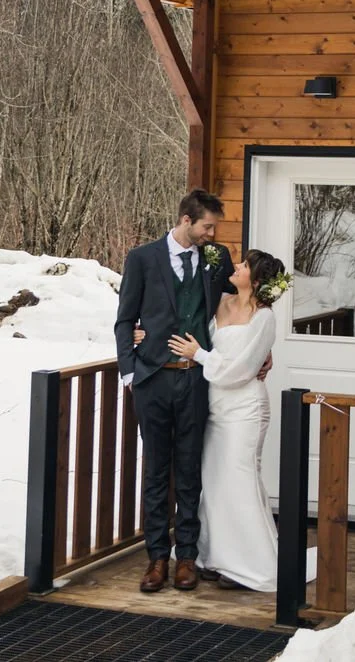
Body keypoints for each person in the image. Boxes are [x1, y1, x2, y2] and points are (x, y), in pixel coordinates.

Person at [114, 189, 231, 593]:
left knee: (190, 468)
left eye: (214, 227)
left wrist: (258, 353)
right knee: (156, 470)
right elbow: (125, 319)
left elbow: (241, 307)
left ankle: (187, 558)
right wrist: (130, 371)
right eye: (206, 226)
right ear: (185, 220)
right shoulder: (143, 258)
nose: (212, 234)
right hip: (153, 380)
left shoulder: (217, 260)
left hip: (195, 379)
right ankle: (156, 557)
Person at [165, 248, 288, 591]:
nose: (237, 266)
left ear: (258, 279)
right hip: (214, 406)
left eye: (245, 265)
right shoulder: (219, 301)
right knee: (215, 483)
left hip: (244, 409)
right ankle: (215, 557)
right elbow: (182, 316)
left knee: (240, 480)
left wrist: (199, 355)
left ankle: (250, 565)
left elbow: (242, 369)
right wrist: (143, 332)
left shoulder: (264, 317)